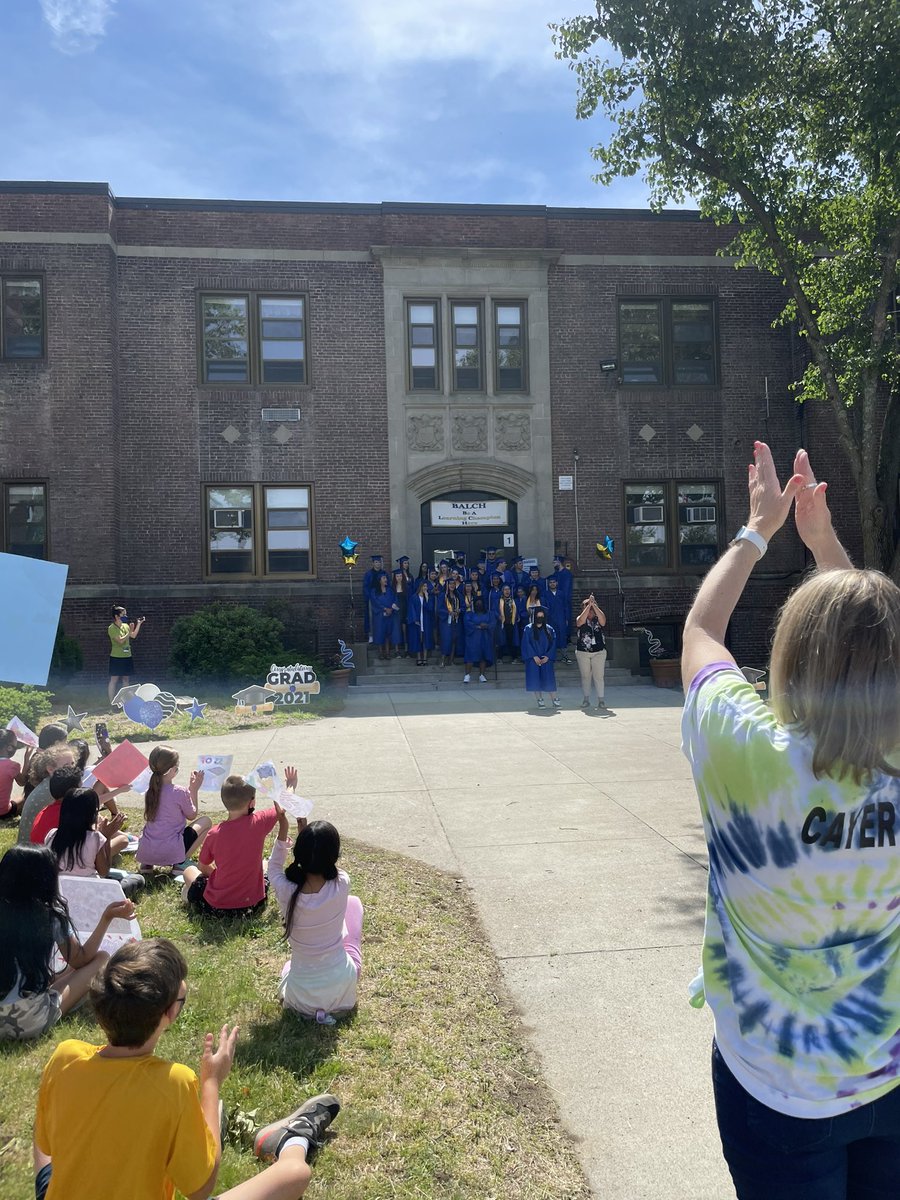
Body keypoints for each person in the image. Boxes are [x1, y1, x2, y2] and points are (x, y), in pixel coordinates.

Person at [681, 442, 900, 1200]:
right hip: (889, 1068)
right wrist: (826, 545)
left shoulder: (746, 752)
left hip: (775, 1084)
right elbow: (874, 641)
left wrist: (758, 531)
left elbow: (701, 633)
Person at [33, 937, 341, 1200]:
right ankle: (289, 1139)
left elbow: (47, 1144)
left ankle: (205, 1123)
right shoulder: (174, 1083)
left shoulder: (65, 1056)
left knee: (47, 1157)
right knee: (295, 1174)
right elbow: (200, 1188)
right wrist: (211, 1082)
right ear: (169, 1013)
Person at [0, 844, 133, 1042]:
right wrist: (106, 918)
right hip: (29, 1021)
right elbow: (81, 960)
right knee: (101, 958)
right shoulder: (50, 917)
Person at [270, 807, 364, 1022]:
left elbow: (274, 867)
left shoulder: (286, 889)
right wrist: (304, 831)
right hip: (342, 989)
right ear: (334, 855)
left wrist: (283, 825)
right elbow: (320, 861)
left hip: (299, 997)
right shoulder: (342, 882)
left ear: (298, 853)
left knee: (288, 968)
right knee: (353, 904)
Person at [180, 767, 295, 919]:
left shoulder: (214, 833)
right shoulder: (259, 822)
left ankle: (189, 894)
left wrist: (220, 876)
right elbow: (282, 807)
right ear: (252, 802)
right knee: (264, 864)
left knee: (189, 871)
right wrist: (291, 784)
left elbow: (203, 866)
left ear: (224, 801)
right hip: (253, 905)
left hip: (216, 907)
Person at [46, 787, 144, 897]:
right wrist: (107, 837)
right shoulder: (95, 838)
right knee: (137, 879)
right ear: (92, 814)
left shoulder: (52, 835)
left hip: (58, 893)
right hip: (90, 893)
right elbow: (103, 871)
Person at [136, 746, 212, 871]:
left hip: (147, 852)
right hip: (171, 850)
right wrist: (193, 790)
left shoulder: (150, 791)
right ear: (172, 770)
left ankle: (147, 865)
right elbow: (192, 815)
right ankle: (180, 862)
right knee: (206, 821)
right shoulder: (179, 792)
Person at [18, 751, 78, 844]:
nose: (72, 768)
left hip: (30, 843)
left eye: (72, 763)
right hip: (36, 846)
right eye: (66, 765)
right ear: (50, 769)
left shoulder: (49, 783)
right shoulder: (55, 789)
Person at [521, 607, 560, 708]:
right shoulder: (528, 629)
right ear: (534, 617)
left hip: (546, 658)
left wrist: (548, 656)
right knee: (535, 680)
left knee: (549, 679)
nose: (540, 619)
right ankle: (540, 700)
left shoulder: (549, 629)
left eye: (542, 617)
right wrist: (533, 656)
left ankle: (555, 699)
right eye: (538, 617)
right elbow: (526, 644)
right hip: (533, 659)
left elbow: (553, 644)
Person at [107, 604, 145, 706]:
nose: (125, 616)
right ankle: (112, 703)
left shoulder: (126, 626)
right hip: (116, 657)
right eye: (123, 614)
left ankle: (126, 703)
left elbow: (133, 635)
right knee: (114, 680)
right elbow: (120, 641)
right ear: (117, 616)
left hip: (127, 656)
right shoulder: (111, 628)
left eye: (125, 614)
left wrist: (138, 624)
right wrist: (129, 632)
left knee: (126, 679)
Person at [574, 594, 608, 708]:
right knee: (586, 676)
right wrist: (588, 606)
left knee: (599, 676)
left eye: (592, 609)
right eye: (588, 608)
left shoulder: (598, 618)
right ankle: (586, 699)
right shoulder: (580, 618)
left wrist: (594, 605)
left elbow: (603, 622)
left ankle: (601, 700)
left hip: (599, 651)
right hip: (583, 652)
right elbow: (580, 622)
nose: (590, 611)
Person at [462, 597, 498, 684]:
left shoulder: (489, 614)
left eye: (480, 602)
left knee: (483, 656)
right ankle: (467, 675)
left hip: (485, 637)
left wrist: (487, 626)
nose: (479, 604)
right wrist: (477, 626)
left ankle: (482, 675)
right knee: (470, 655)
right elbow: (467, 623)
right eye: (477, 603)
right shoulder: (470, 614)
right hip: (473, 638)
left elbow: (493, 623)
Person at [0, 728, 31, 820]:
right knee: (25, 798)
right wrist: (26, 759)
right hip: (2, 812)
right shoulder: (12, 766)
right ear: (9, 748)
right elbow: (22, 782)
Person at [370, 572, 399, 659]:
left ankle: (387, 652)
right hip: (379, 615)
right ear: (379, 580)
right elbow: (375, 602)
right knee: (380, 633)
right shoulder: (374, 591)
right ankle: (380, 652)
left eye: (386, 578)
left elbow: (395, 599)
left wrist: (391, 608)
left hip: (389, 614)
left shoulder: (390, 590)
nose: (386, 580)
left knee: (388, 633)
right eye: (384, 578)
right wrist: (385, 608)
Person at [407, 579, 435, 666]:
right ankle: (419, 658)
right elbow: (411, 609)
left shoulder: (429, 597)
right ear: (420, 587)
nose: (425, 588)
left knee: (426, 639)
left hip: (426, 621)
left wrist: (427, 598)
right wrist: (415, 619)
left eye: (426, 586)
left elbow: (430, 609)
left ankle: (425, 658)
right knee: (418, 639)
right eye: (424, 586)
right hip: (417, 621)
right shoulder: (414, 597)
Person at [544, 575, 571, 662]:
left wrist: (566, 618)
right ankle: (552, 656)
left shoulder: (561, 594)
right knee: (551, 636)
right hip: (550, 618)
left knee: (562, 636)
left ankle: (564, 656)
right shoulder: (545, 594)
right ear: (548, 584)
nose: (552, 584)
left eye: (554, 582)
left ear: (557, 583)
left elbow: (566, 606)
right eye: (550, 582)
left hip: (561, 617)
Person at [437, 578, 461, 668]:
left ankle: (451, 660)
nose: (452, 585)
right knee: (446, 639)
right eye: (450, 584)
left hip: (455, 621)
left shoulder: (457, 595)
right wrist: (448, 612)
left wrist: (459, 610)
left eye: (453, 584)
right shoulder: (442, 595)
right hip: (445, 621)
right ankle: (442, 660)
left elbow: (462, 606)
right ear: (447, 585)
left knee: (454, 640)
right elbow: (439, 609)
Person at [362, 554, 384, 643]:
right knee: (370, 617)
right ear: (373, 563)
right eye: (376, 562)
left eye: (379, 562)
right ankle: (371, 635)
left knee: (381, 616)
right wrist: (369, 597)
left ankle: (382, 634)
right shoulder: (368, 574)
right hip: (372, 598)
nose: (378, 564)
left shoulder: (384, 573)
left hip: (381, 597)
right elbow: (366, 587)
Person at [497, 585, 519, 664]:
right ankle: (499, 658)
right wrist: (498, 616)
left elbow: (517, 611)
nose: (507, 591)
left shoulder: (513, 601)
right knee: (501, 641)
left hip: (511, 624)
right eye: (505, 589)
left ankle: (514, 658)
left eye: (508, 589)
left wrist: (517, 617)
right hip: (502, 624)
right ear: (502, 591)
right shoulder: (499, 601)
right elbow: (494, 611)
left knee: (512, 641)